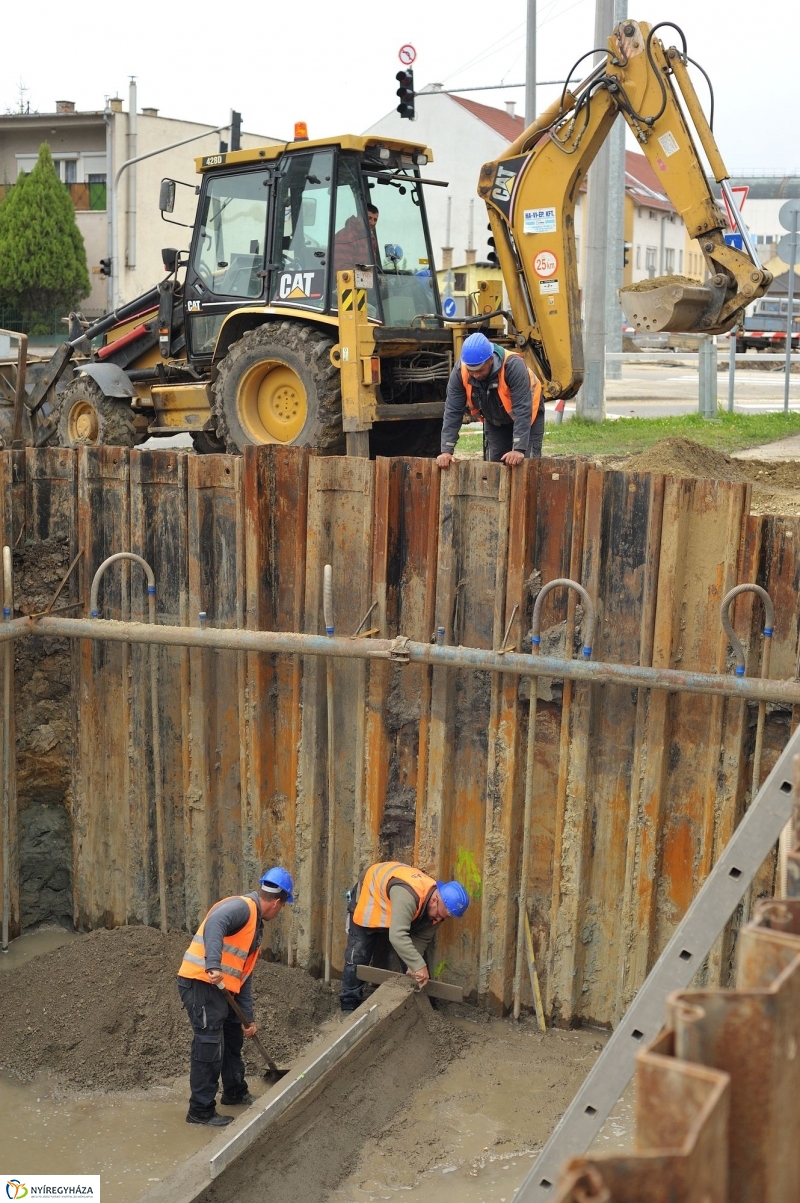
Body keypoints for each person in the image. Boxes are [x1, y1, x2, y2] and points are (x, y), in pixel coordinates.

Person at [177, 866, 294, 1126]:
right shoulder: (243, 907)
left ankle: (235, 1092)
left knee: (232, 1037)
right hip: (201, 983)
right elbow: (215, 923)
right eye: (283, 907)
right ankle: (200, 1111)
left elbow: (244, 975)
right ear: (277, 902)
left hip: (224, 988)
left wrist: (247, 1019)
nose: (279, 911)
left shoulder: (254, 925)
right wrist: (213, 964)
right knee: (209, 1044)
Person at [340, 860, 470, 1013]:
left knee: (414, 959)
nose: (441, 919)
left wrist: (412, 966)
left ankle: (420, 1006)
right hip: (370, 896)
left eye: (447, 917)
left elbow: (421, 939)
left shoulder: (438, 911)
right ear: (435, 900)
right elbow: (397, 936)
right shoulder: (408, 895)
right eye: (442, 914)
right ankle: (349, 1003)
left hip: (394, 902)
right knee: (358, 954)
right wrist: (419, 966)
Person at [437, 331, 544, 469]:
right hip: (495, 419)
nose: (475, 375)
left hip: (528, 416)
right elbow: (453, 410)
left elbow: (522, 408)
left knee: (527, 467)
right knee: (494, 468)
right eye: (471, 371)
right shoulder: (460, 371)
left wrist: (519, 449)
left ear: (491, 359)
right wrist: (446, 451)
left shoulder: (512, 365)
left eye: (480, 370)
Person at [333, 204, 379, 273]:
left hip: (366, 277)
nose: (372, 223)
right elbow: (343, 269)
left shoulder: (370, 238)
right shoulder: (346, 237)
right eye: (369, 218)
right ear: (359, 218)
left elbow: (372, 266)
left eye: (375, 220)